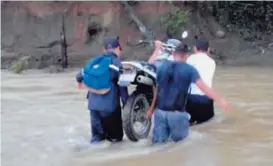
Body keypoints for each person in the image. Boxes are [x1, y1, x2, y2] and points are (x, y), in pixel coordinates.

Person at [146, 44, 230, 144]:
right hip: (177, 114)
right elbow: (204, 88)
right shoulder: (189, 70)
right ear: (186, 56)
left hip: (159, 113)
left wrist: (151, 110)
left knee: (158, 145)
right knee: (180, 145)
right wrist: (220, 99)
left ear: (173, 54)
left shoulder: (161, 67)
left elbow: (157, 90)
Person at [76, 37, 128, 143]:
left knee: (96, 139)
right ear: (117, 48)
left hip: (93, 108)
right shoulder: (117, 64)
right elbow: (123, 87)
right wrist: (127, 104)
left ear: (104, 50)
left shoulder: (95, 62)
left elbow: (79, 76)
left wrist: (81, 84)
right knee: (115, 140)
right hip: (110, 109)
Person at [186, 39, 216, 125]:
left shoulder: (191, 59)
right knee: (206, 124)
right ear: (208, 49)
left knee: (190, 125)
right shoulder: (212, 62)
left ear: (195, 48)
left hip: (192, 98)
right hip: (207, 99)